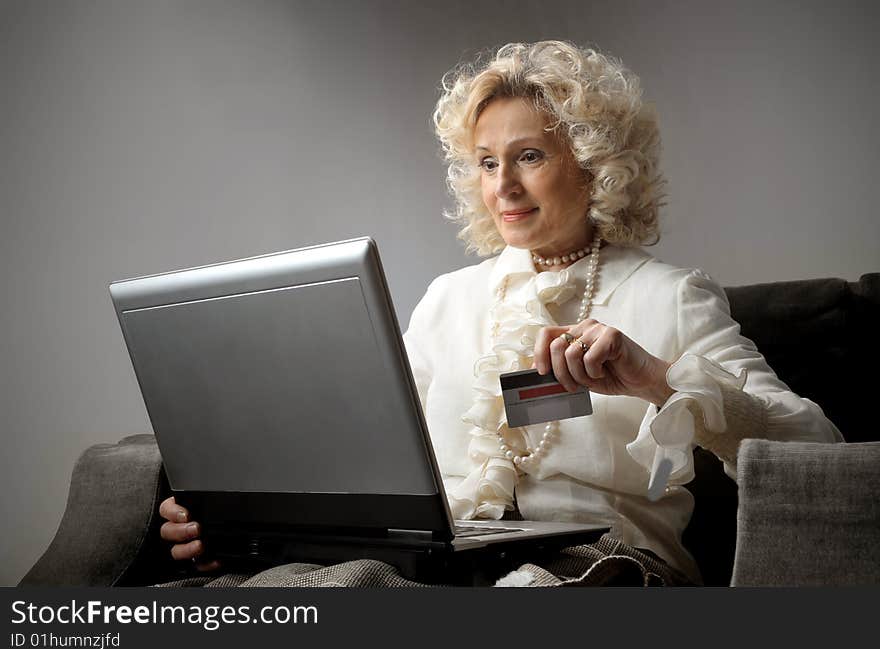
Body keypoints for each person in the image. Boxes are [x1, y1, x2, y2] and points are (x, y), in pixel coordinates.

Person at [158, 40, 842, 584]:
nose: (502, 186)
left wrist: (657, 377)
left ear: (596, 164)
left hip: (606, 564)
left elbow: (816, 451)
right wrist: (241, 521)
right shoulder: (447, 301)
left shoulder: (668, 294)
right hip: (445, 563)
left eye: (530, 156)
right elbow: (373, 463)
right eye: (486, 163)